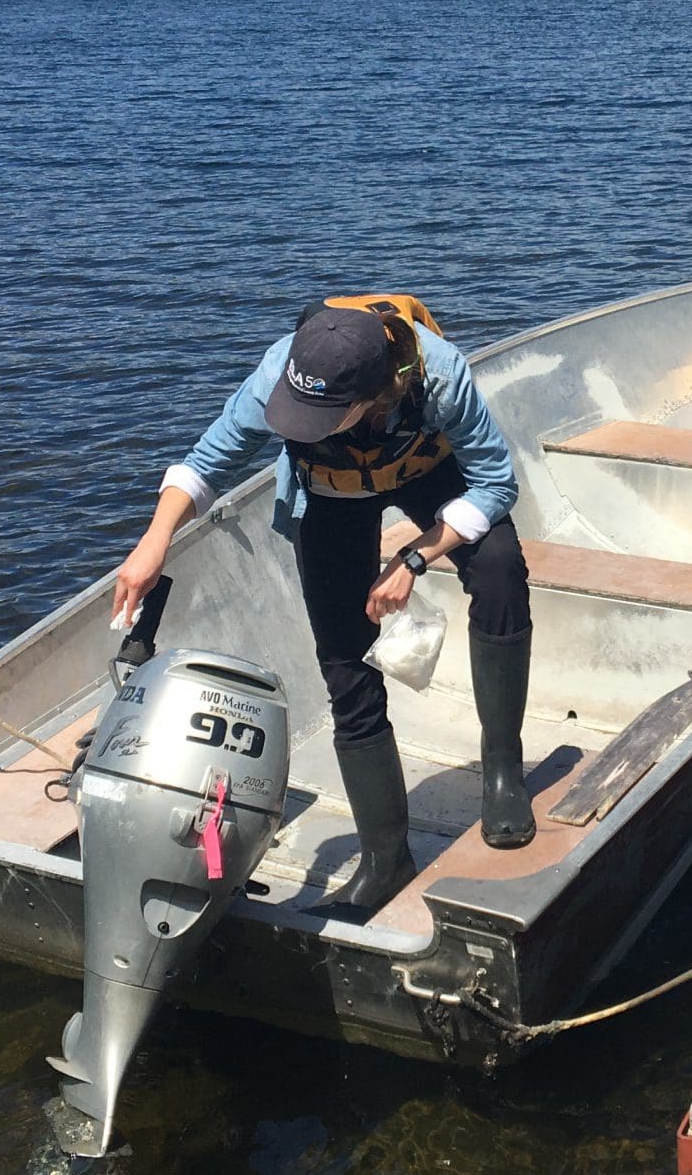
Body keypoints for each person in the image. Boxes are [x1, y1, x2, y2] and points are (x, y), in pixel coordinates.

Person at [107, 295, 534, 913]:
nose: (297, 420)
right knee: (343, 660)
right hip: (332, 493)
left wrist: (414, 557)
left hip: (426, 470)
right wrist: (154, 542)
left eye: (319, 414)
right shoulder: (277, 372)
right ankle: (387, 859)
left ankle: (502, 774)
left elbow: (497, 479)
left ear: (371, 397)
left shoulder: (439, 375)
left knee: (500, 570)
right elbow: (206, 461)